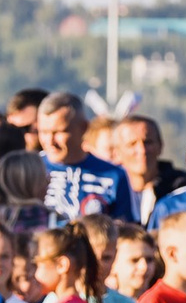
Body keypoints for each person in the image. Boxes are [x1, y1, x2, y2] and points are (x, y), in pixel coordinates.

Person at [35, 92, 136, 224]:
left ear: (83, 128)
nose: (50, 141)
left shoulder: (114, 175)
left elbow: (125, 232)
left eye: (59, 132)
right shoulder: (29, 170)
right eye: (44, 132)